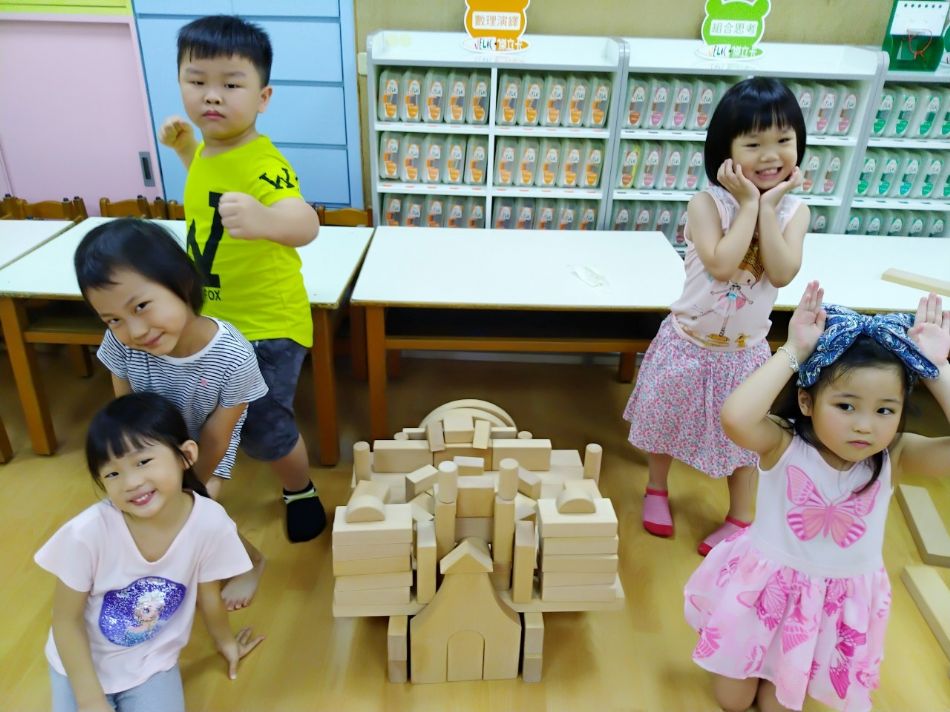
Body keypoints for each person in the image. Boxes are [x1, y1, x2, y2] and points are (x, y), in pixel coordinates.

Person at [684, 282, 950, 712]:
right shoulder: (783, 443)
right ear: (807, 402)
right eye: (846, 406)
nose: (865, 425)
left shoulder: (894, 456)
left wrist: (936, 367)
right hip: (765, 591)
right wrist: (793, 351)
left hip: (829, 607)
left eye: (885, 409)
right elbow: (734, 417)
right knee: (733, 701)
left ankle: (780, 668)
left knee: (777, 705)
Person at [622, 77, 811, 554]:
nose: (770, 155)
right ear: (725, 151)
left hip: (744, 355)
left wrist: (767, 208)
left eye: (783, 140)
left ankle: (740, 516)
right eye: (754, 144)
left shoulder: (795, 212)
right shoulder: (707, 204)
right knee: (664, 423)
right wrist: (749, 204)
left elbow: (782, 271)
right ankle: (656, 489)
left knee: (743, 442)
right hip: (687, 341)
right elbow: (723, 264)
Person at [158, 15, 326, 543]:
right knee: (209, 411)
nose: (212, 95)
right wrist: (185, 150)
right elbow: (208, 183)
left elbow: (305, 222)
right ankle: (205, 484)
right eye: (197, 81)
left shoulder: (262, 161)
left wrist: (266, 220)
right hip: (213, 321)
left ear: (262, 97)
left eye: (231, 85)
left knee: (264, 425)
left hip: (267, 326)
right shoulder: (211, 150)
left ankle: (300, 490)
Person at [74, 218, 267, 610]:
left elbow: (218, 435)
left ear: (182, 282)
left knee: (199, 512)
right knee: (142, 514)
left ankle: (250, 561)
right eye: (113, 319)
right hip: (149, 442)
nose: (134, 330)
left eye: (141, 306)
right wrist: (132, 466)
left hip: (203, 446)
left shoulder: (233, 356)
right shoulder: (122, 343)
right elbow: (125, 412)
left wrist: (187, 483)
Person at [35, 393, 264, 712]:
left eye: (142, 462)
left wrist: (226, 642)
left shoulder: (210, 523)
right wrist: (90, 700)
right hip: (80, 665)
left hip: (150, 662)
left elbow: (208, 593)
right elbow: (66, 622)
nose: (131, 482)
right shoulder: (86, 534)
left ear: (186, 456)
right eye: (112, 474)